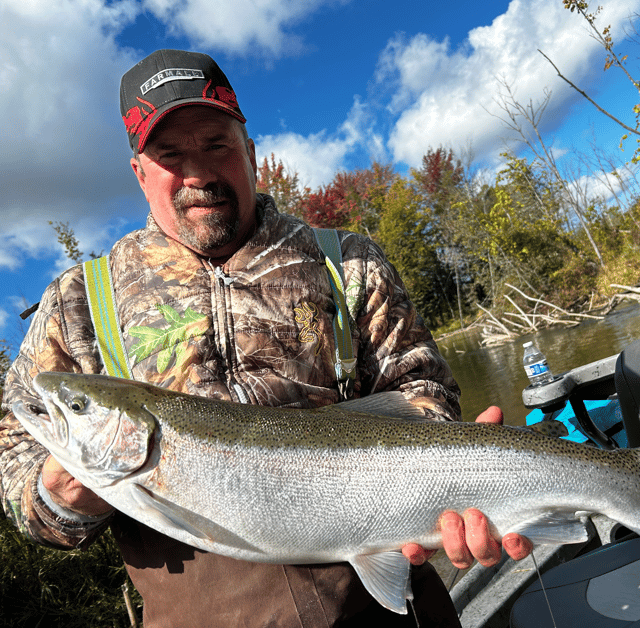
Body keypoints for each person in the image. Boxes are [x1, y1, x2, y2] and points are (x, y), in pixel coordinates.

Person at [0, 49, 531, 627]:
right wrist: (58, 497)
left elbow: (423, 393)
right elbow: (20, 483)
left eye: (217, 146)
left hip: (388, 597)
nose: (199, 174)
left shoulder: (346, 262)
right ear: (139, 172)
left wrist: (453, 479)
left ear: (251, 155)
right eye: (171, 155)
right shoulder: (78, 302)